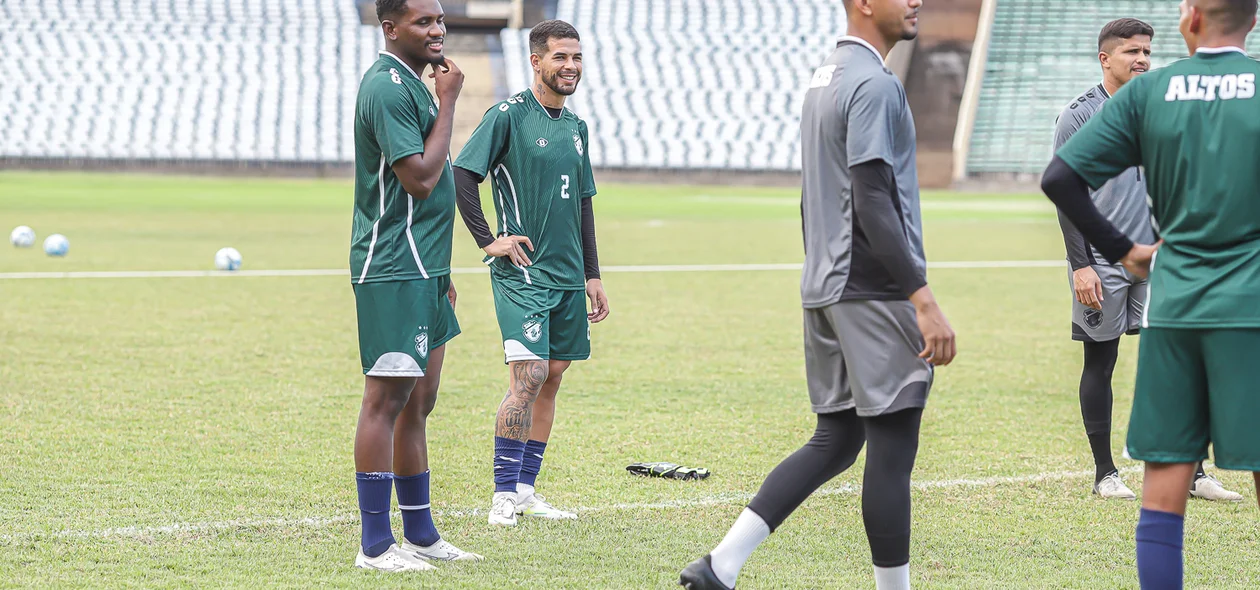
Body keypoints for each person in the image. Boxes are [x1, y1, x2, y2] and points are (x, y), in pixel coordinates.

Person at [679, 0, 957, 588]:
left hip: (826, 281)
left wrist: (823, 276)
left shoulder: (823, 78)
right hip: (873, 288)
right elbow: (874, 198)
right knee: (892, 439)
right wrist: (922, 298)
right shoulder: (874, 83)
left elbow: (816, 193)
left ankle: (721, 565)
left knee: (837, 438)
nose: (916, 2)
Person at [1042, 1, 1260, 586]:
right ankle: (1104, 469)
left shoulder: (1151, 93)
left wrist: (1129, 250)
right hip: (1251, 302)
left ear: (1190, 19)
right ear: (1254, 22)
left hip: (1177, 299)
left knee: (1164, 479)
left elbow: (1060, 179)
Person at [452, 19, 610, 527]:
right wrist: (487, 238)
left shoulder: (577, 128)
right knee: (531, 374)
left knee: (554, 377)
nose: (571, 66)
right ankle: (501, 493)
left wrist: (593, 274)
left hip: (568, 278)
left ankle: (524, 489)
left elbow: (584, 205)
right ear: (536, 61)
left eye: (577, 57)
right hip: (522, 273)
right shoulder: (507, 116)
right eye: (560, 57)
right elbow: (462, 173)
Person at [348, 0, 482, 571]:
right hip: (394, 266)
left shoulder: (415, 84)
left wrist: (446, 272)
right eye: (424, 21)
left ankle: (422, 534)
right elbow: (422, 180)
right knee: (387, 400)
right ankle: (376, 545)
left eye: (440, 20)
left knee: (418, 403)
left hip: (426, 269)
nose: (438, 30)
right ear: (390, 28)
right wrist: (452, 101)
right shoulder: (387, 87)